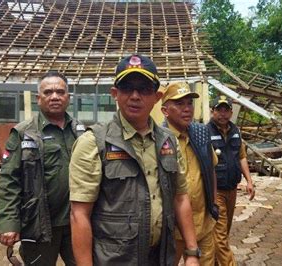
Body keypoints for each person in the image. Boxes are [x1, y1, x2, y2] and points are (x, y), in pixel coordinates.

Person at [69, 54, 200, 265]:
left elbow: (180, 197)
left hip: (161, 256)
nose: (135, 96)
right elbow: (79, 214)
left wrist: (192, 252)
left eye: (145, 89)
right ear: (115, 94)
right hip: (114, 259)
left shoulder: (168, 142)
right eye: (127, 88)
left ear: (157, 97)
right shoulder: (93, 143)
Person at [0, 71, 84, 265]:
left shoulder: (81, 131)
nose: (55, 96)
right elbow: (9, 180)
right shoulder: (23, 133)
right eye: (48, 92)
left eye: (60, 92)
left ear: (68, 97)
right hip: (38, 224)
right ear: (39, 98)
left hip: (77, 223)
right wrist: (8, 223)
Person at [161, 82, 219, 265]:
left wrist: (213, 204)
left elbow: (211, 171)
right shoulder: (158, 140)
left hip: (203, 224)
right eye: (179, 104)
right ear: (165, 111)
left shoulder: (201, 134)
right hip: (172, 229)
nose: (186, 109)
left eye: (189, 104)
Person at [207, 95, 255, 266]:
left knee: (223, 232)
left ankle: (212, 262)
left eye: (226, 110)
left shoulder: (235, 131)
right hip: (216, 190)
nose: (222, 114)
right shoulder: (206, 132)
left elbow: (241, 156)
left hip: (232, 189)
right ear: (212, 111)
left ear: (231, 112)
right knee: (220, 235)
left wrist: (249, 181)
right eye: (219, 110)